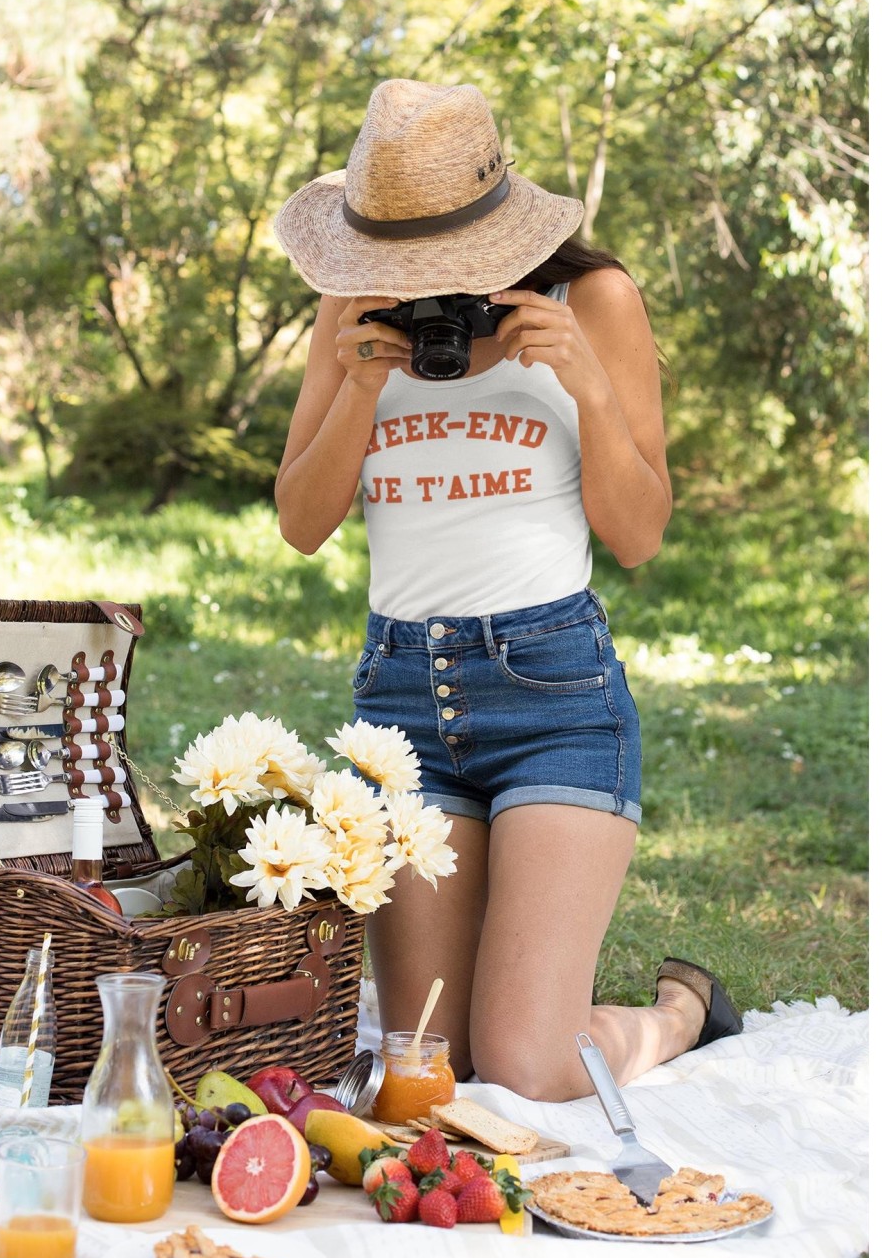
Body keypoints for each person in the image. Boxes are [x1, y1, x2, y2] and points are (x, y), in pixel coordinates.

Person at [272, 78, 742, 1101]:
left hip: (555, 699)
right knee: (427, 1069)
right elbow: (302, 524)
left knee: (525, 1064)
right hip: (400, 703)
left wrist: (581, 382)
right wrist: (359, 384)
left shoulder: (593, 301)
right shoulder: (349, 313)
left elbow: (640, 534)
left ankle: (676, 1012)